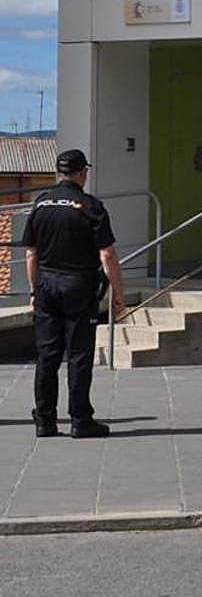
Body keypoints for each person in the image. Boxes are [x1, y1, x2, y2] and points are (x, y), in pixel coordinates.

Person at [22, 149, 125, 438]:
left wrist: (34, 289)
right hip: (79, 286)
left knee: (47, 355)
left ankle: (45, 420)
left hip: (46, 284)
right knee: (79, 355)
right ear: (82, 173)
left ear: (59, 173)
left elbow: (31, 254)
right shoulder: (90, 206)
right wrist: (118, 293)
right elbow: (107, 255)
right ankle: (80, 420)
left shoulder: (40, 204)